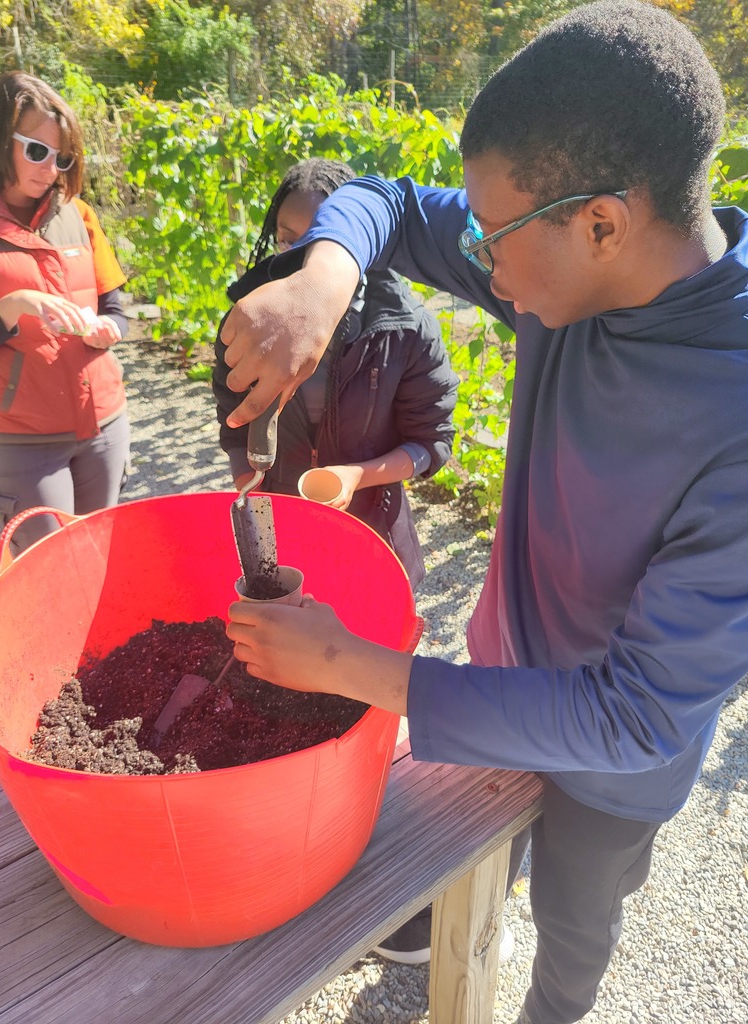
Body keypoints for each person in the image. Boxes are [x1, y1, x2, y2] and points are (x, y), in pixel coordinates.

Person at [219, 2, 748, 1021]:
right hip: (496, 680)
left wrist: (345, 664)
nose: (482, 270)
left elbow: (633, 714)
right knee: (472, 863)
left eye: (495, 236)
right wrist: (324, 280)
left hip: (612, 766)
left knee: (577, 917)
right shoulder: (579, 276)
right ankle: (447, 948)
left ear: (602, 222)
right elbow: (389, 204)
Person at [212, 157, 458, 589]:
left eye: (319, 239)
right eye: (288, 240)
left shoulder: (405, 328)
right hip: (283, 532)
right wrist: (253, 493)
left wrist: (357, 476)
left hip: (373, 531)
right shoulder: (251, 323)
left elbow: (431, 443)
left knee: (367, 637)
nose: (302, 259)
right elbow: (234, 429)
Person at [0, 71, 131, 553]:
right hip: (23, 439)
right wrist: (13, 306)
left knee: (100, 559)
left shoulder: (78, 214)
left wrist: (110, 329)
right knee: (48, 568)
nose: (52, 169)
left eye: (63, 156)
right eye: (37, 150)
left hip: (103, 424)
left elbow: (116, 307)